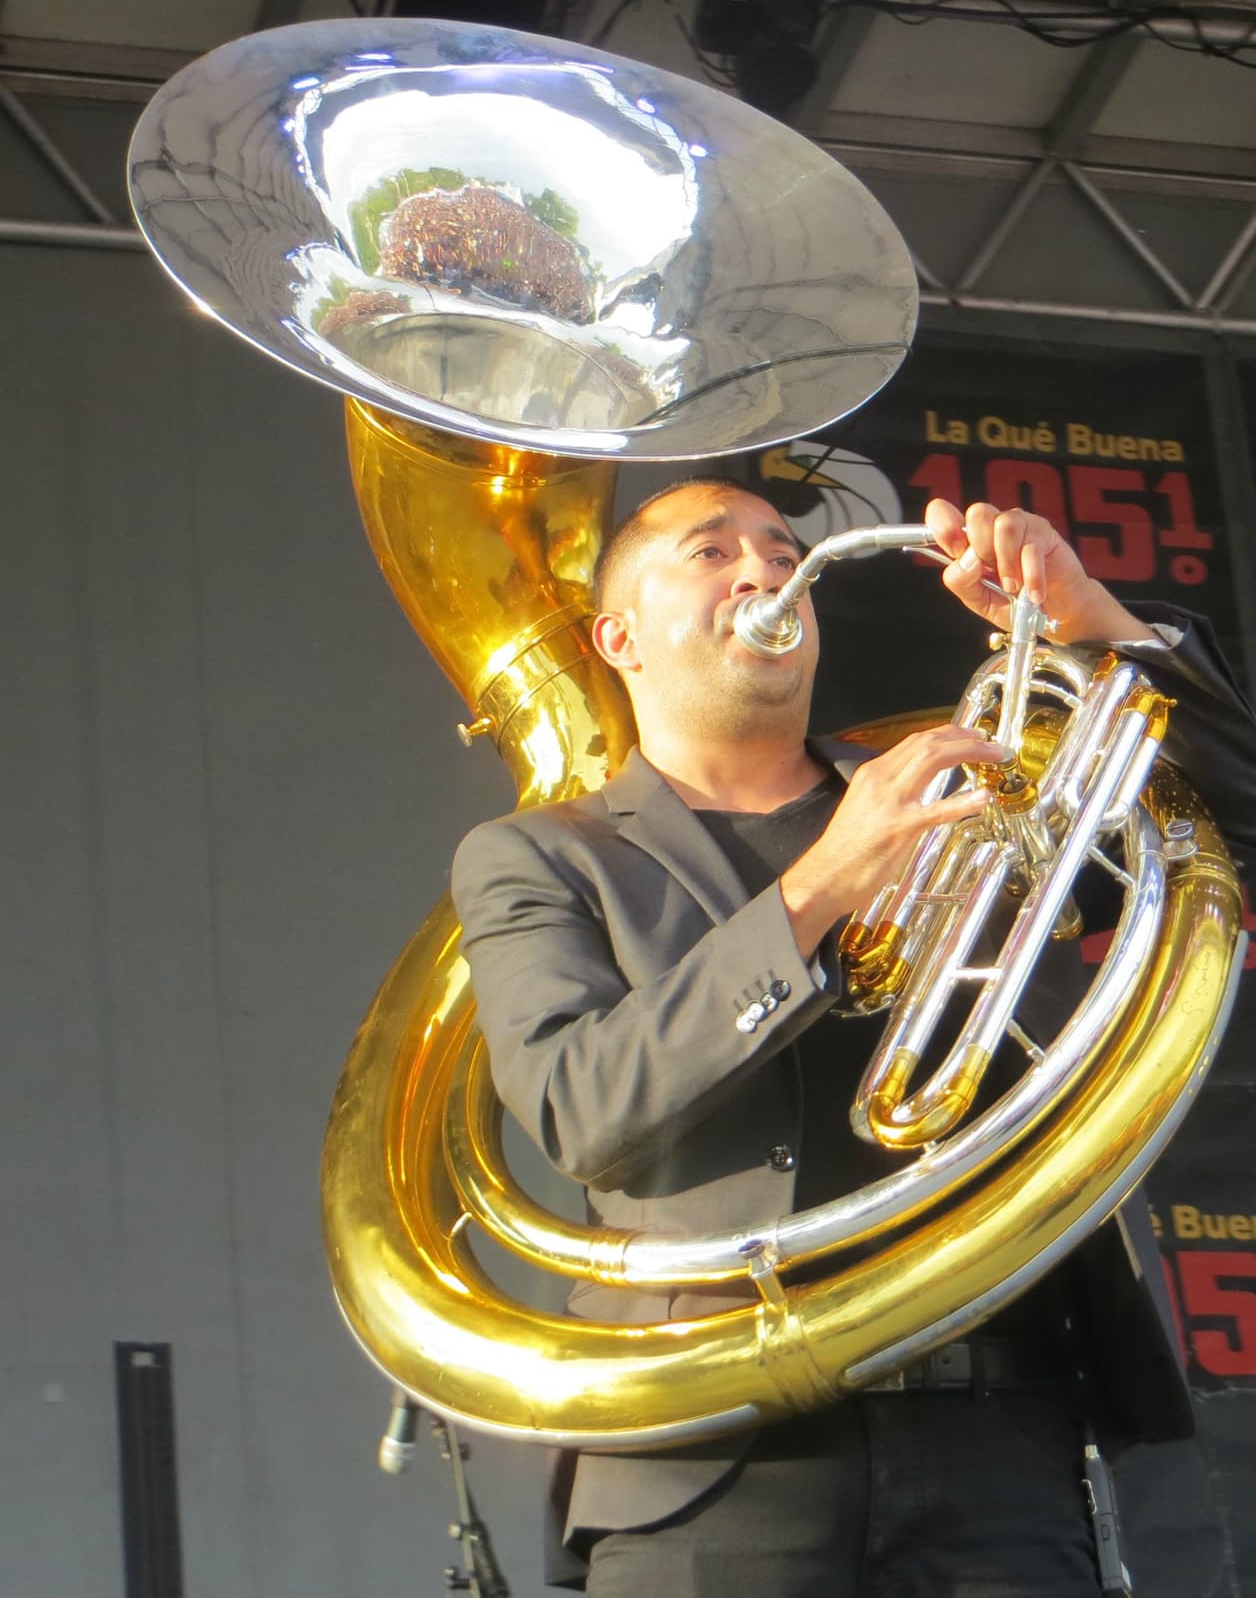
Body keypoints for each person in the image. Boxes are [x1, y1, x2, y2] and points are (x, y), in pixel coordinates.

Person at [451, 481, 1256, 1598]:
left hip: (999, 1440)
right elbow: (575, 1110)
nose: (765, 568)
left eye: (785, 551)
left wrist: (1092, 622)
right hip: (717, 1457)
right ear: (617, 636)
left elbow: (1228, 826)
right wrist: (822, 883)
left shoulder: (950, 794)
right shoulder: (540, 857)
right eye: (709, 550)